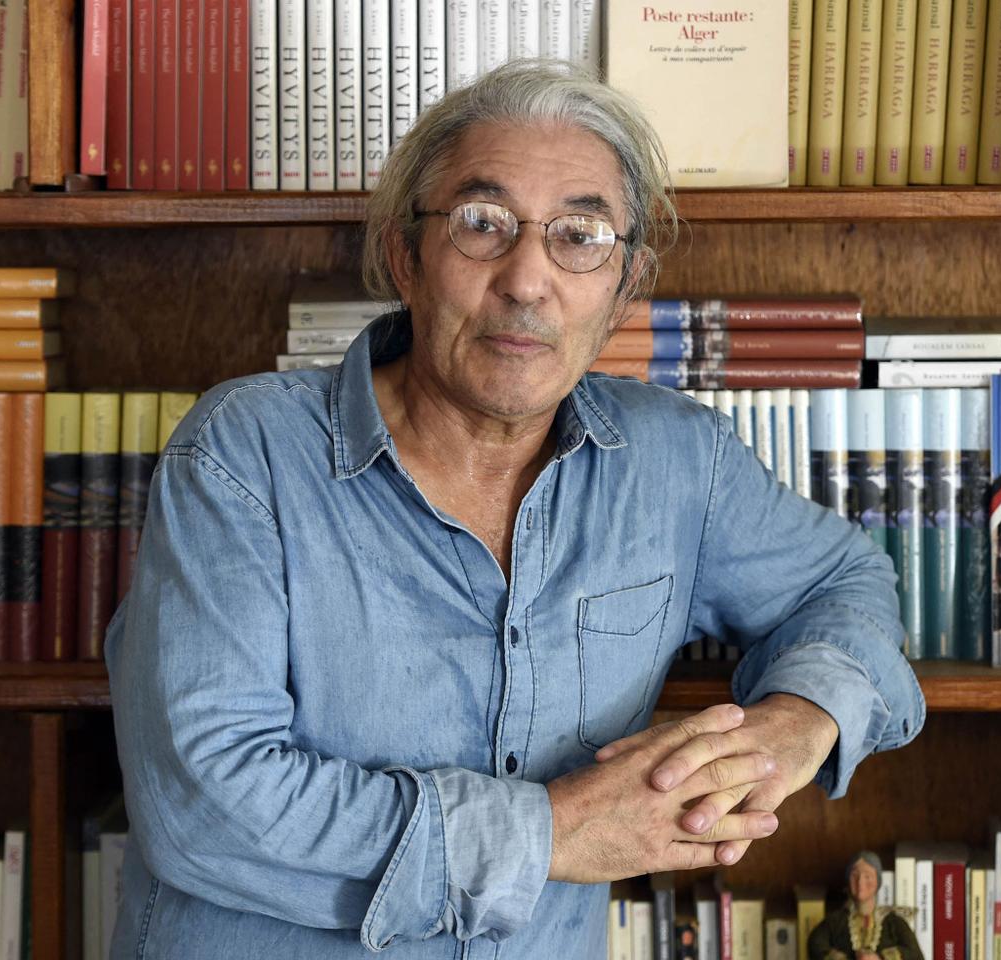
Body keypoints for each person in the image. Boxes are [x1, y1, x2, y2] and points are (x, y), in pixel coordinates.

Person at [105, 60, 924, 959]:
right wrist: (553, 832)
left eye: (581, 235)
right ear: (405, 259)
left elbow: (849, 582)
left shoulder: (678, 463)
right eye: (482, 224)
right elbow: (200, 806)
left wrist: (800, 722)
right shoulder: (243, 453)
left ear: (623, 288)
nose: (527, 280)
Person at [807, 852, 923, 960]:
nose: (860, 882)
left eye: (867, 876)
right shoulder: (835, 922)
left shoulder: (893, 923)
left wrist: (880, 957)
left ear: (877, 881)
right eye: (854, 876)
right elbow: (816, 945)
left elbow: (914, 953)